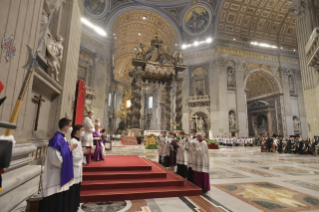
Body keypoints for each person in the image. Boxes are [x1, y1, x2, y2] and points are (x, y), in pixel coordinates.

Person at [40, 118, 78, 212]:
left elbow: (64, 153)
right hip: (55, 175)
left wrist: (69, 150)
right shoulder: (56, 140)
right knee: (54, 202)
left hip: (60, 175)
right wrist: (68, 151)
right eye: (70, 125)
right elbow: (55, 159)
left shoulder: (62, 138)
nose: (71, 127)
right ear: (65, 127)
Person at [69, 125, 90, 212]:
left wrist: (84, 154)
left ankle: (75, 204)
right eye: (82, 130)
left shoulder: (78, 140)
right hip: (74, 167)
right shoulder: (73, 141)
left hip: (78, 166)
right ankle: (72, 206)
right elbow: (73, 156)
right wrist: (83, 152)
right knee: (73, 187)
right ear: (77, 131)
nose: (83, 131)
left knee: (77, 187)